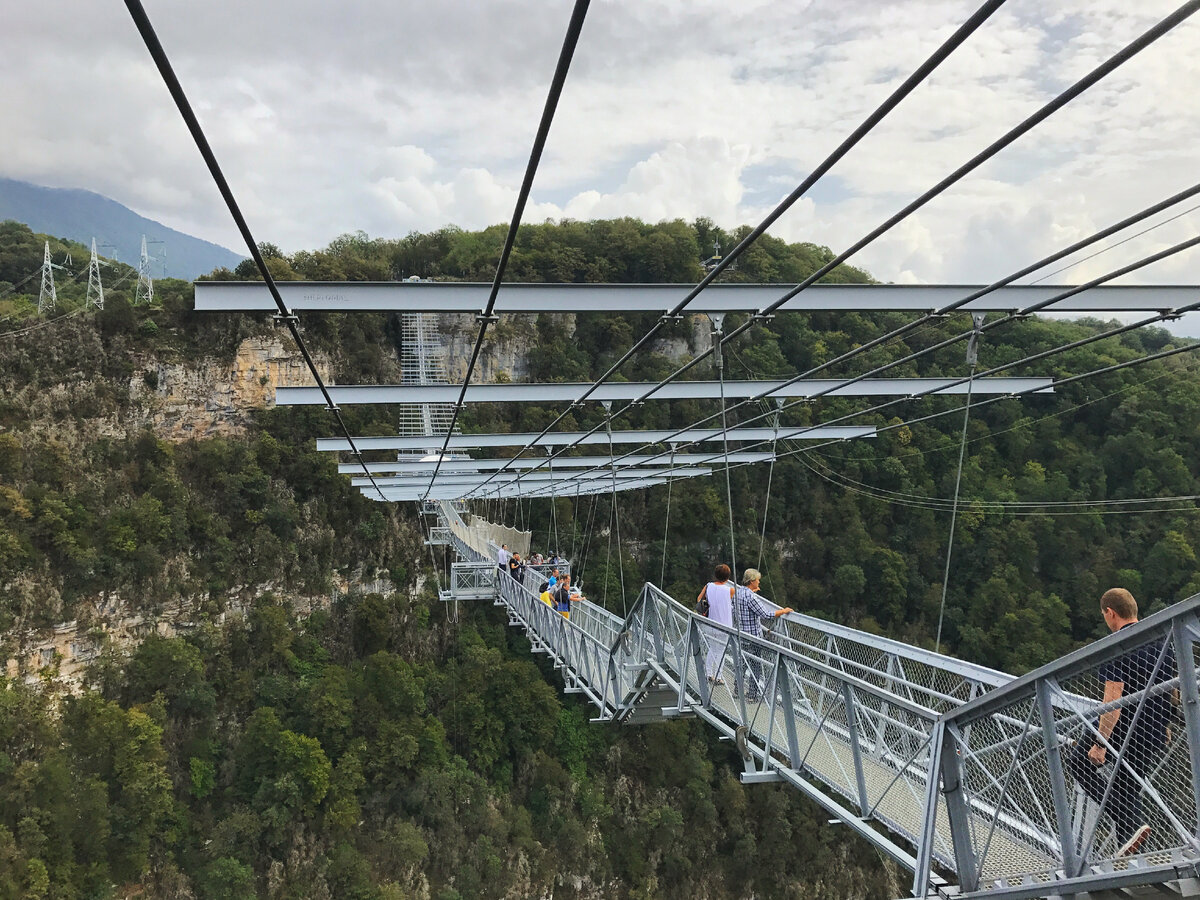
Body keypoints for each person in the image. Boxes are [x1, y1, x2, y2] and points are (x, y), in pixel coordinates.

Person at [1067, 588, 1174, 857]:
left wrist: (1100, 743)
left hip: (1127, 728)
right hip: (1154, 729)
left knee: (1078, 763)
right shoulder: (1161, 639)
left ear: (1110, 613)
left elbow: (1112, 703)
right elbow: (1173, 690)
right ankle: (1134, 854)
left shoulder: (1117, 645)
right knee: (1127, 787)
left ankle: (1130, 823)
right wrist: (1167, 723)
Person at [733, 568, 794, 702]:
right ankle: (751, 696)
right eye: (758, 580)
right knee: (755, 665)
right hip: (754, 637)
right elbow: (766, 614)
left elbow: (734, 611)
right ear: (752, 581)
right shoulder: (751, 597)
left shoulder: (737, 593)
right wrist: (783, 611)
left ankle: (737, 690)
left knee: (742, 663)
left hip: (741, 634)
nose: (759, 582)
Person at [697, 565, 735, 684]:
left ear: (715, 575)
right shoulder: (731, 590)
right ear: (728, 577)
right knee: (721, 652)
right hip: (725, 626)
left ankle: (709, 673)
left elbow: (699, 599)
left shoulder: (708, 586)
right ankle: (718, 677)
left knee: (712, 649)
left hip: (710, 623)